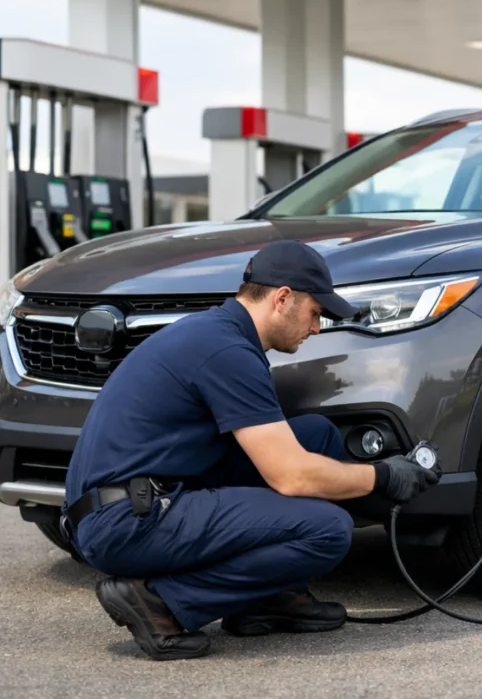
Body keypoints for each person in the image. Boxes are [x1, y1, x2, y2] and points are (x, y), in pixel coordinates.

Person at [60, 240, 437, 661]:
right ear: (282, 298)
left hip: (133, 501)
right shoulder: (228, 352)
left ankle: (269, 598)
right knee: (327, 530)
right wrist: (384, 476)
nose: (316, 328)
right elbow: (290, 476)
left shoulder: (216, 332)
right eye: (315, 313)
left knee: (317, 436)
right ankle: (160, 601)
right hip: (125, 522)